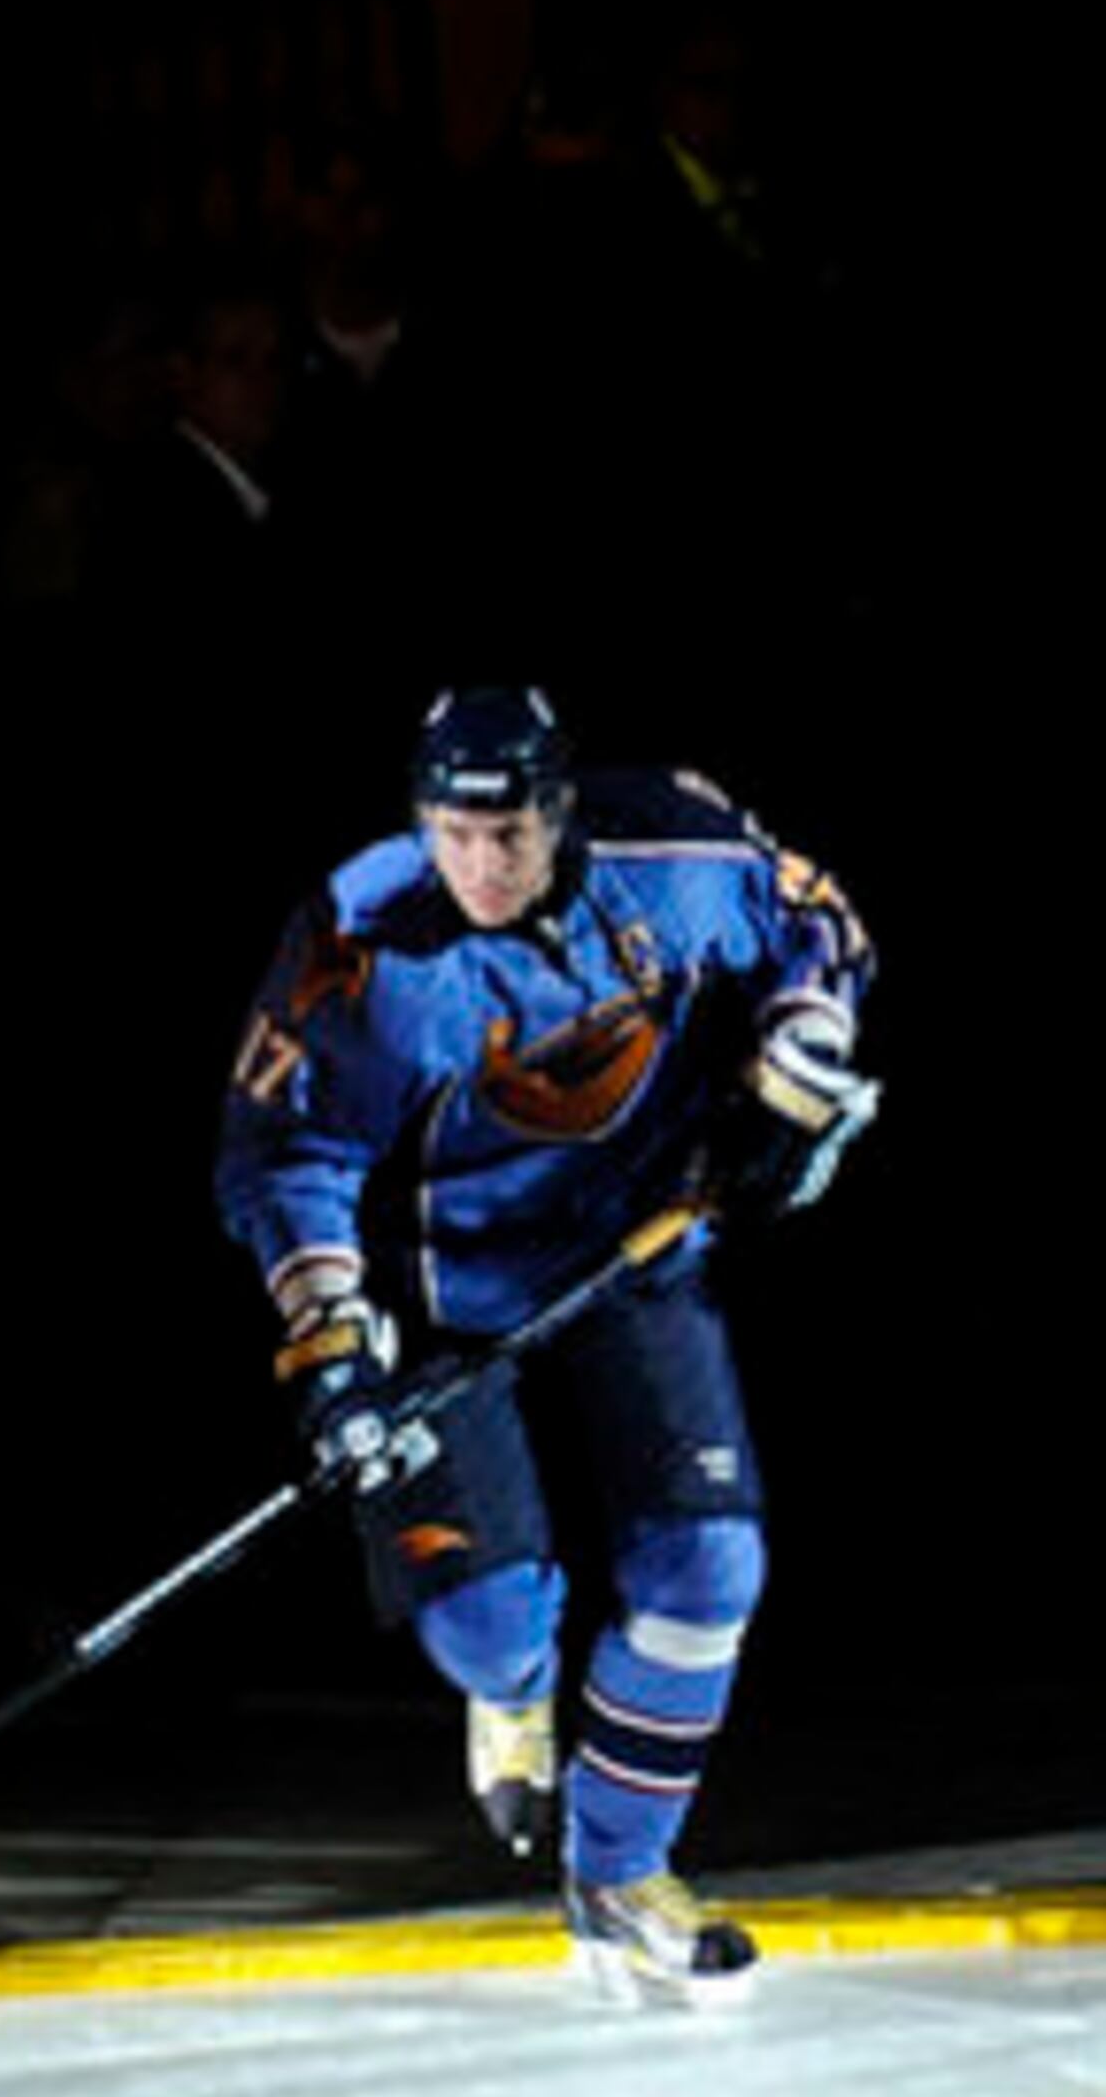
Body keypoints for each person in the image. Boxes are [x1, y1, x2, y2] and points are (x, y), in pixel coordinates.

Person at [215, 686, 876, 2006]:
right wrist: (331, 1343)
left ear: (560, 814)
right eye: (454, 836)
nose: (482, 866)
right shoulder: (360, 940)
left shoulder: (676, 853)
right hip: (440, 1292)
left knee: (710, 1567)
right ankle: (509, 1686)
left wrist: (794, 1072)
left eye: (510, 834)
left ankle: (619, 1870)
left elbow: (824, 929)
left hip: (637, 1247)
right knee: (492, 1627)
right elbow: (285, 1153)